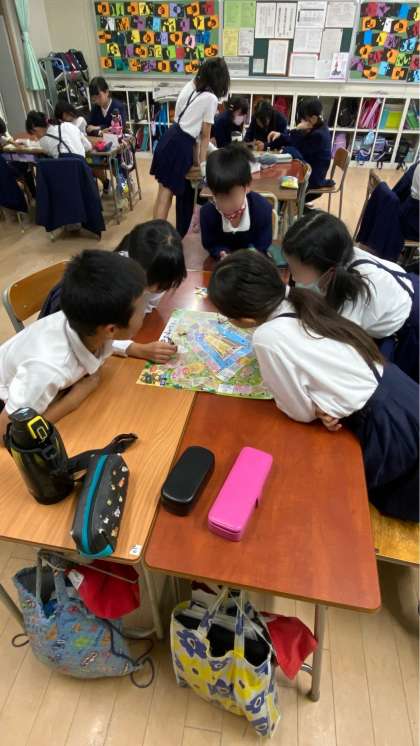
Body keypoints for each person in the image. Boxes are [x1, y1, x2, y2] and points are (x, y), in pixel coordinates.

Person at [208, 250, 419, 522]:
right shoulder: (299, 297)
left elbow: (299, 412)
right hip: (399, 390)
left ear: (244, 320)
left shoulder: (266, 337)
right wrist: (322, 402)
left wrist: (314, 407)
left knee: (366, 498)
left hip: (387, 424)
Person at [0, 250, 146, 439]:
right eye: (141, 308)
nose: (145, 311)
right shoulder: (49, 368)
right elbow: (8, 433)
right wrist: (74, 399)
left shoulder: (85, 322)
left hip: (32, 388)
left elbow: (104, 338)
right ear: (111, 329)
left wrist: (135, 348)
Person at [282, 211, 419, 382]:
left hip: (410, 327)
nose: (290, 273)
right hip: (404, 290)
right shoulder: (337, 255)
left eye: (293, 266)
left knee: (395, 382)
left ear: (319, 265)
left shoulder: (353, 294)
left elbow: (337, 352)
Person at [39, 220, 185, 364]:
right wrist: (136, 348)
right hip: (70, 347)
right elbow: (93, 334)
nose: (156, 290)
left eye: (164, 286)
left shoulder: (155, 276)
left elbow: (146, 308)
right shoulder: (108, 285)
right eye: (153, 283)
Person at [150, 57, 230, 220]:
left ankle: (153, 231)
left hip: (170, 137)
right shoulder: (211, 99)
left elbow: (192, 130)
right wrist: (203, 166)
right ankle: (157, 234)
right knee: (166, 196)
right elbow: (205, 135)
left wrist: (200, 159)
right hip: (180, 145)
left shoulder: (191, 86)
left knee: (162, 194)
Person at [200, 144, 273, 260]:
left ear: (247, 186)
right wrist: (221, 252)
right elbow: (211, 244)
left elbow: (263, 244)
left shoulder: (262, 209)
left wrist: (252, 254)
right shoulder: (207, 214)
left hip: (253, 263)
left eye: (232, 197)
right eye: (220, 198)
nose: (226, 205)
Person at [268, 98, 332, 190]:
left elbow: (298, 150)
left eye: (304, 118)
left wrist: (297, 129)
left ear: (313, 118)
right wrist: (281, 135)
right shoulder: (319, 128)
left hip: (311, 181)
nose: (301, 121)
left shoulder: (318, 135)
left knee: (277, 182)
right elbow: (296, 141)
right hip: (307, 174)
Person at [25, 110, 92, 159]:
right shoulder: (69, 126)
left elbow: (39, 146)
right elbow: (88, 146)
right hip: (82, 171)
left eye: (34, 134)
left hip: (63, 172)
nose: (36, 137)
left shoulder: (44, 141)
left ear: (35, 128)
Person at [0, 116, 36, 199]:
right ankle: (33, 194)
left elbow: (8, 140)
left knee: (26, 159)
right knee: (25, 163)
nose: (1, 135)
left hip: (6, 159)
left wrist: (15, 144)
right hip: (5, 165)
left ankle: (33, 194)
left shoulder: (1, 137)